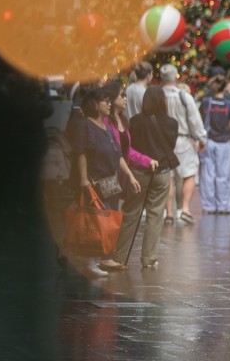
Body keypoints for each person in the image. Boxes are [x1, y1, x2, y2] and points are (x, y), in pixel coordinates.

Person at [71, 87, 140, 278]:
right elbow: (81, 153)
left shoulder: (107, 128)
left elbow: (118, 155)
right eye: (105, 101)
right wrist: (84, 179)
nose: (109, 103)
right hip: (94, 182)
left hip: (111, 183)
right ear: (94, 104)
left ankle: (100, 257)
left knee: (107, 220)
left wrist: (130, 176)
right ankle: (88, 260)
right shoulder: (86, 125)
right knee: (93, 221)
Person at [111, 85, 178, 270]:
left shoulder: (135, 121)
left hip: (139, 173)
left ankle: (120, 256)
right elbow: (170, 146)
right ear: (163, 101)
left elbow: (130, 147)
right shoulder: (172, 123)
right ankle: (149, 259)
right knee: (155, 216)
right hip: (162, 173)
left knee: (131, 214)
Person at [161, 64, 208, 224]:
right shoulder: (183, 96)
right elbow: (195, 120)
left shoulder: (156, 96)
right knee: (188, 173)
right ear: (175, 78)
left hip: (162, 142)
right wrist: (201, 139)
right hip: (182, 141)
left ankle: (169, 213)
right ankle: (185, 209)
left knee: (168, 177)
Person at [199, 74, 230, 214]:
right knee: (224, 175)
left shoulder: (206, 102)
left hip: (209, 141)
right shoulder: (229, 105)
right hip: (224, 142)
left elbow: (202, 119)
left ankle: (209, 206)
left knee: (208, 174)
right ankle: (223, 206)